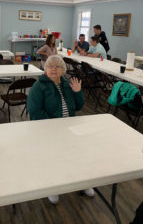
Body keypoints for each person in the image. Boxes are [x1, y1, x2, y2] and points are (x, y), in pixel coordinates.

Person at [27, 55, 95, 204]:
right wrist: (55, 126)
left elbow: (78, 106)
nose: (54, 69)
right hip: (48, 129)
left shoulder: (66, 83)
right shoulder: (38, 87)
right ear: (45, 69)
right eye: (51, 66)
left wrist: (77, 92)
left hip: (69, 127)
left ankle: (83, 182)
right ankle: (53, 186)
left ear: (63, 69)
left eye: (58, 66)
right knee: (53, 157)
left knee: (78, 153)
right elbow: (35, 112)